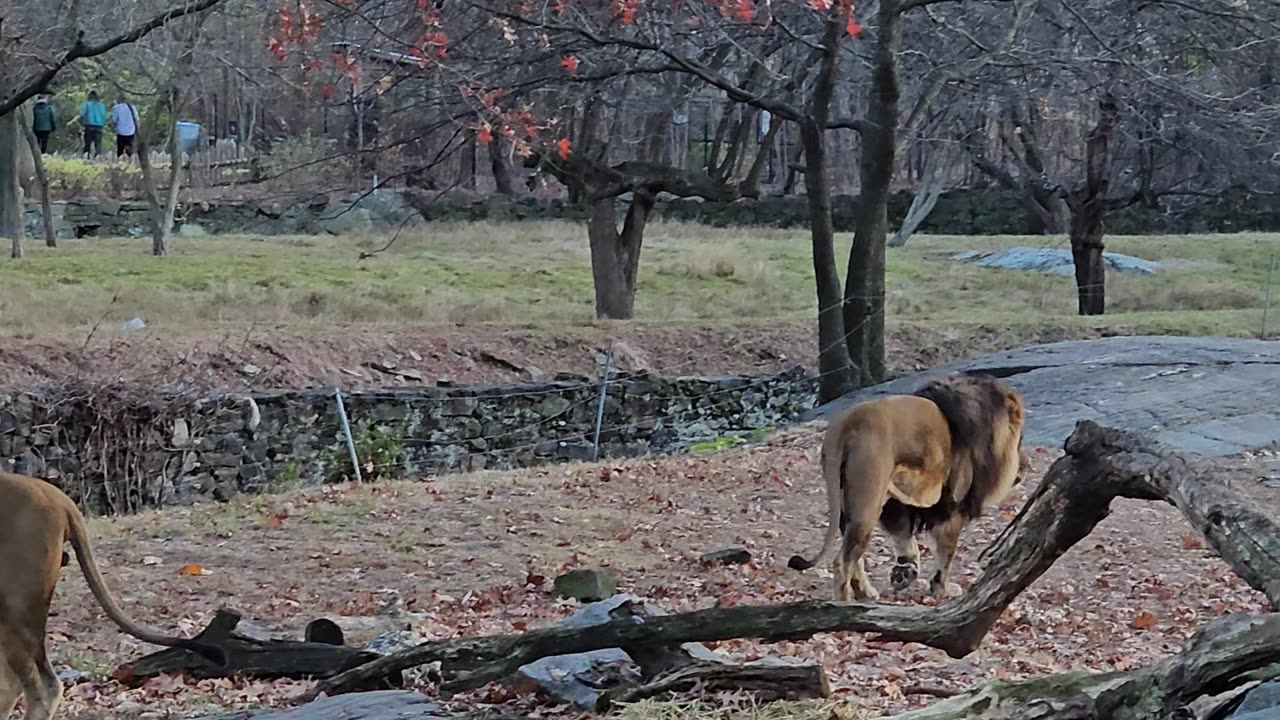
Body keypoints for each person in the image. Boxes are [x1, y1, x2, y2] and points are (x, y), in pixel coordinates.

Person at [78, 90, 107, 158]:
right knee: (98, 144)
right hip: (99, 126)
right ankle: (98, 158)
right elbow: (104, 116)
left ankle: (87, 158)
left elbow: (82, 115)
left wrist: (82, 125)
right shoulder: (101, 105)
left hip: (89, 126)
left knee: (87, 144)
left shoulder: (86, 104)